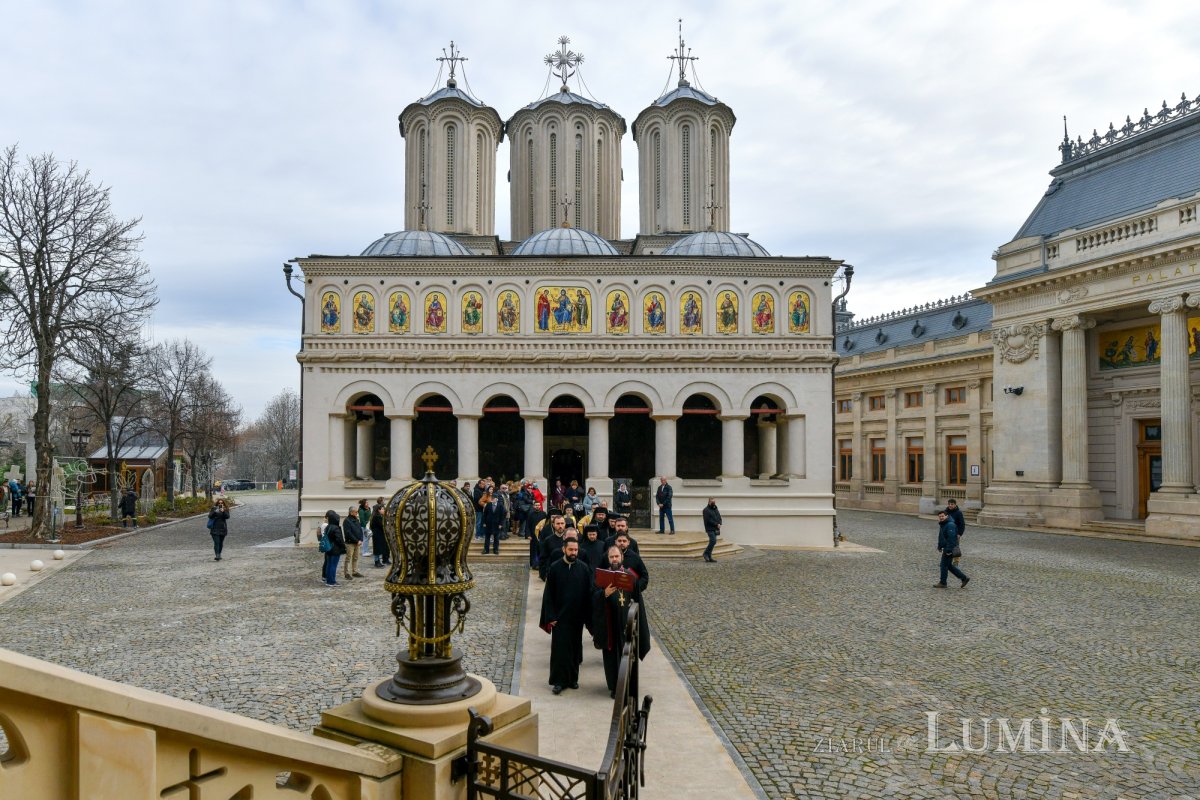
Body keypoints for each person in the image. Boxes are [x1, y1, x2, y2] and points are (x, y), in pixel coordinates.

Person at [591, 545, 652, 697]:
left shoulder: (631, 577)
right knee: (612, 657)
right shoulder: (601, 578)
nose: (614, 559)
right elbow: (592, 598)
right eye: (611, 557)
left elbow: (638, 602)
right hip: (610, 625)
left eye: (617, 556)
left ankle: (628, 685)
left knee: (628, 656)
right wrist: (603, 594)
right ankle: (614, 687)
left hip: (627, 625)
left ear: (622, 558)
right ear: (608, 558)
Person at [539, 538, 591, 695]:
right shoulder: (555, 568)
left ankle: (572, 679)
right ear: (564, 549)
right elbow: (548, 595)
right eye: (571, 550)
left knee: (575, 649)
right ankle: (559, 681)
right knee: (560, 650)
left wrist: (587, 616)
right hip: (559, 618)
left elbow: (588, 594)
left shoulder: (583, 569)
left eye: (576, 550)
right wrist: (551, 616)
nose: (574, 553)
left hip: (576, 618)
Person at [935, 509, 969, 589]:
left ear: (946, 516)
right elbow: (941, 537)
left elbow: (952, 539)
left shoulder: (950, 525)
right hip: (946, 548)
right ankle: (964, 578)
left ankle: (943, 583)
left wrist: (949, 550)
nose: (941, 518)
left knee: (943, 565)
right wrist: (940, 546)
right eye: (940, 517)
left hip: (949, 549)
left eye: (942, 516)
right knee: (949, 565)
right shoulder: (943, 524)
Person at [538, 515, 568, 580]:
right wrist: (543, 574)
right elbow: (543, 558)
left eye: (562, 523)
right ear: (553, 525)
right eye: (558, 523)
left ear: (565, 524)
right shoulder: (548, 540)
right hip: (552, 573)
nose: (560, 526)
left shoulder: (569, 539)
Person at [323, 510, 346, 586]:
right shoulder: (336, 528)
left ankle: (328, 580)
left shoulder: (328, 527)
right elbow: (339, 539)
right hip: (335, 549)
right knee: (333, 565)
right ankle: (332, 581)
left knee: (329, 564)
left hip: (329, 548)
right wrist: (343, 547)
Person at [342, 505, 364, 580]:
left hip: (357, 542)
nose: (357, 513)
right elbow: (348, 533)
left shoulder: (356, 520)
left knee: (356, 558)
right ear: (351, 512)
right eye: (356, 512)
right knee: (348, 558)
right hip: (350, 543)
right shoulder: (347, 521)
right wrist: (356, 540)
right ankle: (346, 573)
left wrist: (361, 539)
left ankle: (354, 571)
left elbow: (360, 530)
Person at [526, 500, 547, 568]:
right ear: (534, 506)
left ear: (540, 506)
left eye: (538, 505)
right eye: (536, 505)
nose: (537, 506)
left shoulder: (543, 514)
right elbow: (528, 525)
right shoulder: (530, 514)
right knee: (533, 550)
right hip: (533, 535)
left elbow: (546, 524)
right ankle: (533, 564)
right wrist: (528, 535)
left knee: (541, 550)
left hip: (541, 535)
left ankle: (540, 563)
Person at [945, 498, 966, 566]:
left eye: (952, 504)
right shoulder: (945, 512)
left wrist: (959, 533)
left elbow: (962, 524)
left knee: (955, 547)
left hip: (955, 533)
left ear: (955, 505)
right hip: (947, 533)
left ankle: (956, 562)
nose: (950, 505)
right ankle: (946, 561)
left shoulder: (958, 513)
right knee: (946, 547)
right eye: (949, 504)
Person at [702, 497, 722, 563]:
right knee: (713, 541)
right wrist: (716, 524)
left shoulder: (715, 508)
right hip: (709, 528)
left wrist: (720, 523)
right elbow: (708, 520)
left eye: (714, 502)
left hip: (716, 528)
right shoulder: (706, 510)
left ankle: (709, 557)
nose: (714, 503)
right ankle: (705, 553)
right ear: (709, 502)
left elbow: (719, 516)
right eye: (712, 502)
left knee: (714, 542)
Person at [370, 500, 388, 567]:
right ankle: (377, 562)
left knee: (379, 549)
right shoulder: (377, 517)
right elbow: (382, 525)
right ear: (378, 510)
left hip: (379, 535)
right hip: (377, 535)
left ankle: (378, 561)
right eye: (382, 509)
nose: (384, 510)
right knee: (377, 549)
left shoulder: (379, 516)